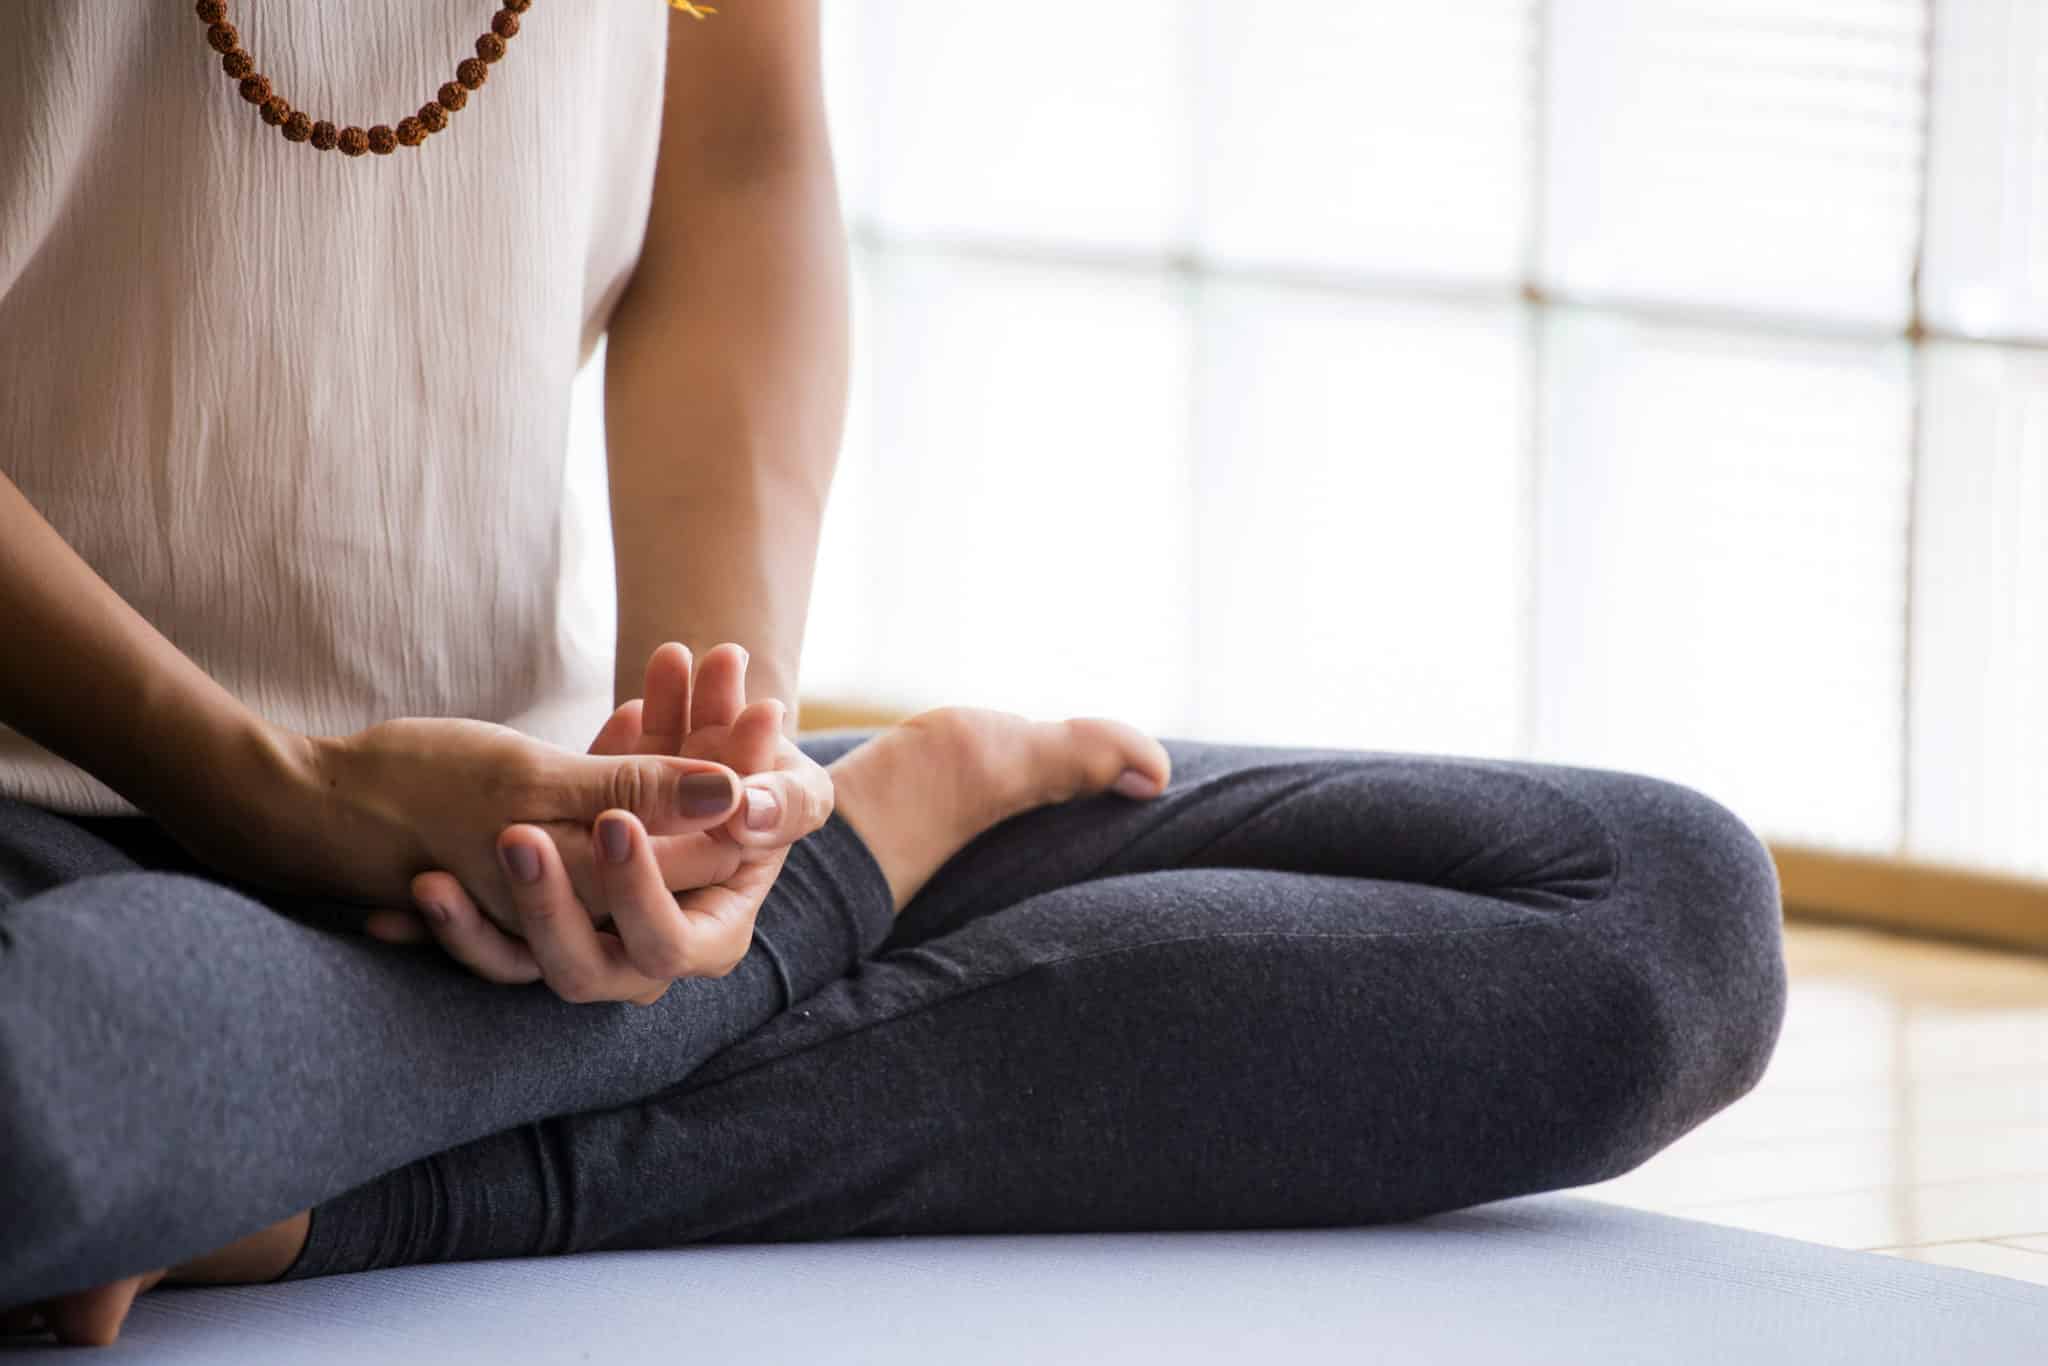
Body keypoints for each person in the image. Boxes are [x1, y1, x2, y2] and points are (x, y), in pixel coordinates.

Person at [0, 0, 1789, 1347]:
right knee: (32, 1085)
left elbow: (742, 163)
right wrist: (278, 793)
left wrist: (716, 783)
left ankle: (324, 1157)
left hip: (518, 827)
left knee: (1654, 918)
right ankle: (836, 892)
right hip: (50, 810)